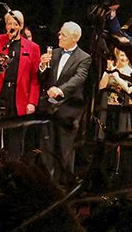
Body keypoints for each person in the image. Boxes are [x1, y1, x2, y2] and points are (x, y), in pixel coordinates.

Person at [38, 21, 93, 175]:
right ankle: (46, 179)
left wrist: (60, 90)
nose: (59, 36)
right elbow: (43, 78)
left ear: (74, 38)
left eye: (63, 34)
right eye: (60, 33)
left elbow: (78, 79)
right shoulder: (54, 53)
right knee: (46, 144)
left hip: (68, 108)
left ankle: (62, 182)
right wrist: (42, 67)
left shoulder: (84, 57)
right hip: (49, 106)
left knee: (64, 146)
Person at [0, 7, 41, 119]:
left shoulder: (33, 48)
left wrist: (32, 102)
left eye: (15, 24)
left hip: (19, 97)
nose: (12, 27)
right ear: (5, 26)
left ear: (21, 26)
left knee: (15, 134)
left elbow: (34, 78)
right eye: (9, 23)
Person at [98, 48, 132, 181]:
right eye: (122, 55)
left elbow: (129, 89)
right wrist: (108, 72)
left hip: (123, 111)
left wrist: (117, 77)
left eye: (126, 55)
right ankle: (106, 172)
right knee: (107, 140)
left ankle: (119, 173)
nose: (124, 58)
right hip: (109, 108)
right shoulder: (111, 69)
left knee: (122, 141)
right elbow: (101, 87)